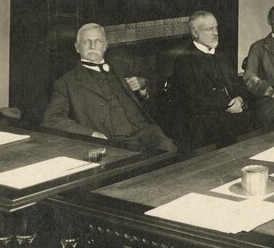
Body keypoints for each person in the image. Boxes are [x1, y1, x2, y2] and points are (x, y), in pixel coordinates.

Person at [42, 23, 176, 152]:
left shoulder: (121, 67)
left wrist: (142, 86)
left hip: (147, 132)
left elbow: (148, 92)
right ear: (77, 47)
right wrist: (91, 134)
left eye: (98, 41)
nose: (92, 45)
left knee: (169, 150)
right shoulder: (66, 82)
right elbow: (51, 119)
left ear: (105, 46)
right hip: (114, 142)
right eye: (86, 42)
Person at [170, 11, 252, 150]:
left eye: (216, 28)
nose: (215, 33)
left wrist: (239, 98)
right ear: (195, 33)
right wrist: (227, 104)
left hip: (229, 114)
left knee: (258, 121)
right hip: (202, 121)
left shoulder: (223, 55)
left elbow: (238, 85)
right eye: (209, 29)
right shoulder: (184, 61)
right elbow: (193, 101)